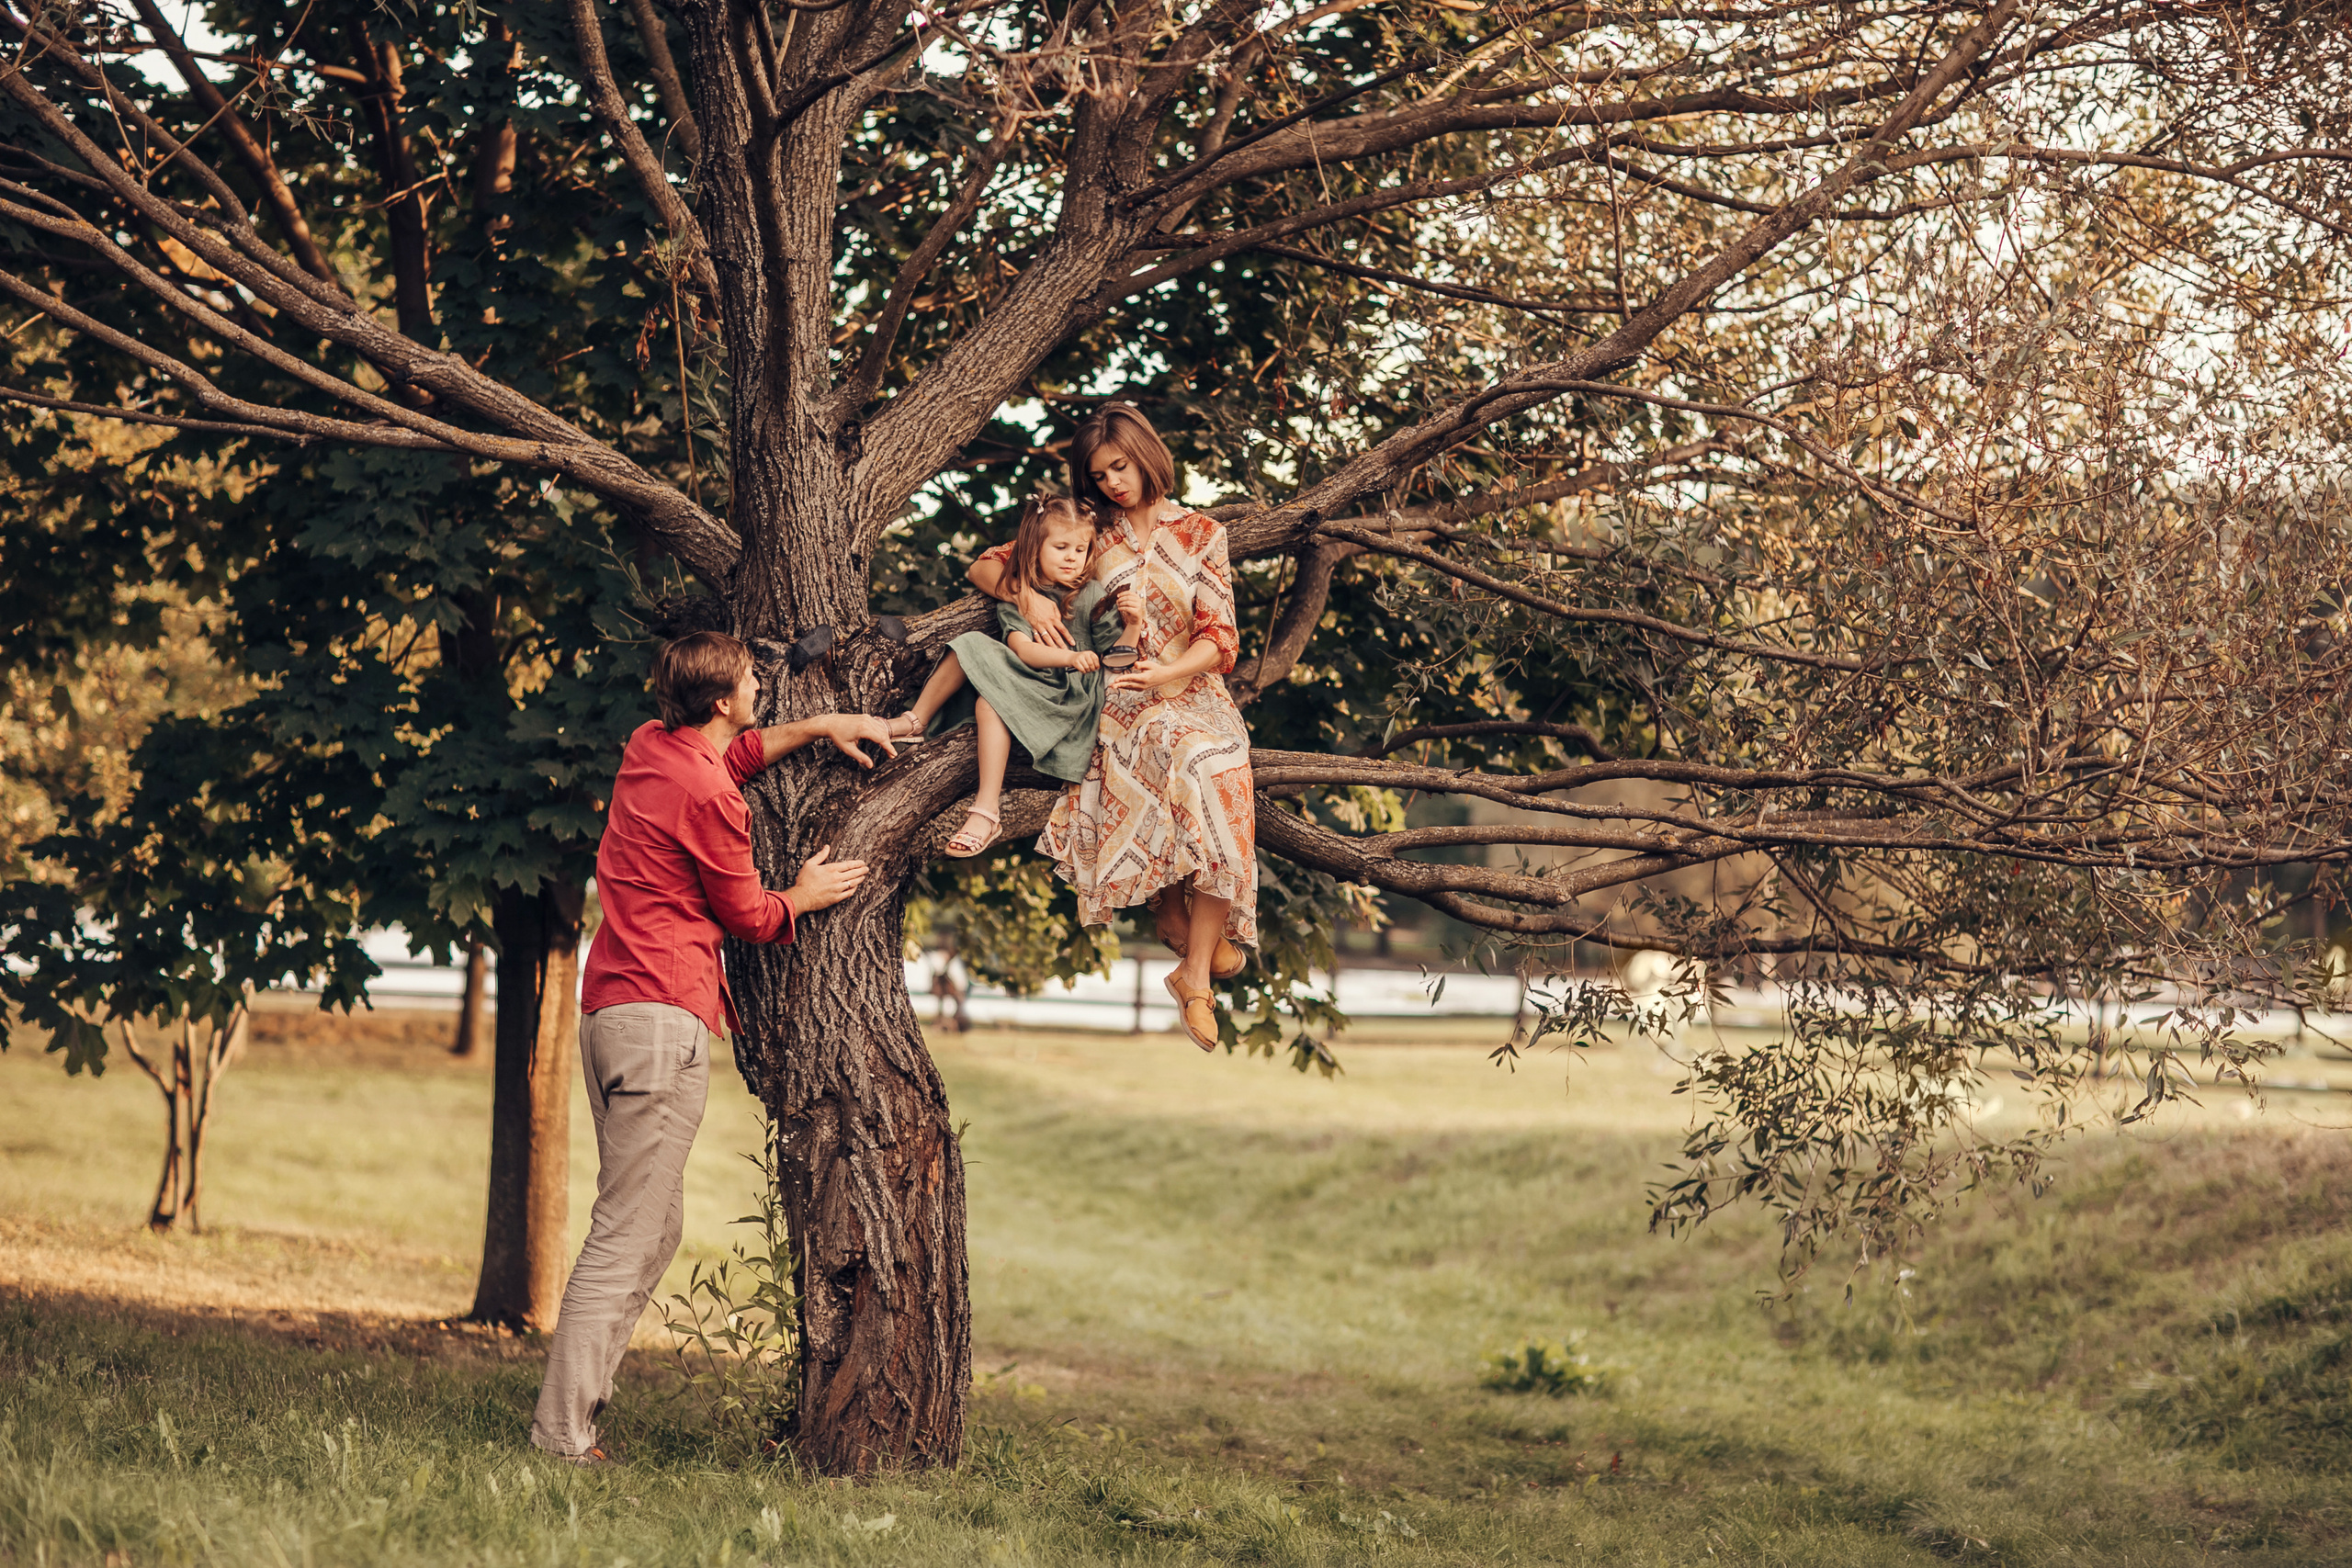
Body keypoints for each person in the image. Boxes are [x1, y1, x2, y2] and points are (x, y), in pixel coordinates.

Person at [528, 630, 893, 1468]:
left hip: (613, 1013)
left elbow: (731, 758)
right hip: (662, 1018)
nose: (762, 682)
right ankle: (560, 1437)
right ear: (724, 699)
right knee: (627, 1232)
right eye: (752, 679)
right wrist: (804, 891)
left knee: (653, 1230)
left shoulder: (651, 749)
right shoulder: (710, 797)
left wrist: (822, 722)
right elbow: (751, 915)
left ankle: (579, 1417)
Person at [969, 403, 1257, 1051]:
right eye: (1099, 476)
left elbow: (1221, 635)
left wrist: (1171, 674)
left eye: (1119, 467)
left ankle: (1189, 962)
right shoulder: (1090, 532)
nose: (1111, 484)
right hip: (1119, 693)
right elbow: (987, 565)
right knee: (1183, 755)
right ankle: (1193, 956)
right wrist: (1029, 595)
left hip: (1193, 687)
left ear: (1146, 454)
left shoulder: (1202, 532)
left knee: (1222, 763)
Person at [890, 496, 1136, 855]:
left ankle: (985, 810)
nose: (1072, 557)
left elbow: (1118, 659)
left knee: (991, 704)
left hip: (1070, 697)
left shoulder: (1093, 594)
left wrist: (1134, 624)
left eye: (1080, 549)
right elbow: (1024, 651)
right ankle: (917, 722)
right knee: (972, 648)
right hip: (1032, 676)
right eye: (1061, 547)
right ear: (1034, 549)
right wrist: (1069, 654)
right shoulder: (1020, 593)